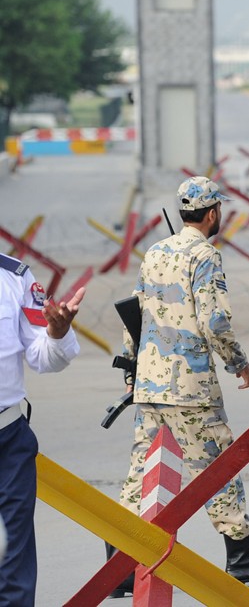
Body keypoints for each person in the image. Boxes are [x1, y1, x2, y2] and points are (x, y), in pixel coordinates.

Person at [112, 176, 249, 596]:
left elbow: (134, 315)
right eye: (220, 209)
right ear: (212, 213)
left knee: (140, 475)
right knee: (218, 469)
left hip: (150, 384)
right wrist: (239, 363)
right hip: (189, 387)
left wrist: (132, 372)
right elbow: (214, 320)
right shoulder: (206, 255)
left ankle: (118, 570)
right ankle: (241, 558)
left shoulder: (155, 252)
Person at [0, 253, 84, 604]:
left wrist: (56, 334)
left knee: (12, 563)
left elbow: (42, 356)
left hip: (7, 440)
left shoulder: (13, 276)